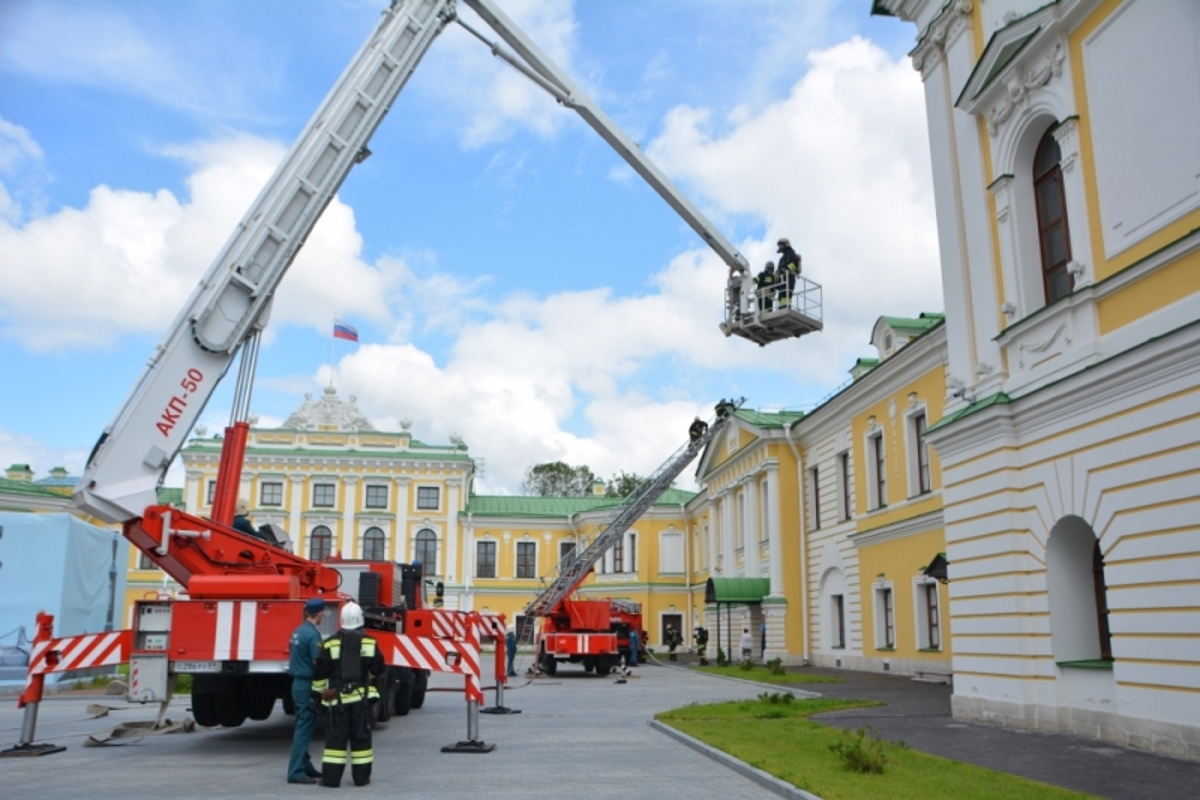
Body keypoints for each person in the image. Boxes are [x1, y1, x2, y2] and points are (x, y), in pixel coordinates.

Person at [313, 602, 384, 788]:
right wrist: (364, 678)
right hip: (361, 700)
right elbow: (377, 669)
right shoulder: (370, 642)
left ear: (341, 621)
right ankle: (361, 779)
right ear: (361, 620)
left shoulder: (329, 643)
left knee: (335, 741)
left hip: (337, 701)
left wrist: (319, 696)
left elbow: (320, 673)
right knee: (361, 740)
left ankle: (331, 780)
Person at [287, 597, 326, 785]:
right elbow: (317, 662)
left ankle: (306, 766)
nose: (323, 615)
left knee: (301, 726)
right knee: (305, 728)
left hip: (297, 684)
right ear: (319, 613)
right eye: (323, 612)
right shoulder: (312, 635)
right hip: (307, 685)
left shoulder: (297, 631)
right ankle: (296, 772)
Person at [776, 237, 801, 309]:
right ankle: (781, 307)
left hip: (789, 278)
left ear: (786, 245)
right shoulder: (782, 258)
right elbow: (779, 269)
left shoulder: (792, 255)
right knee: (781, 295)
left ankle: (786, 307)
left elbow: (795, 266)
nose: (780, 247)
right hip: (782, 280)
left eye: (781, 245)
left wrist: (786, 269)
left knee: (787, 294)